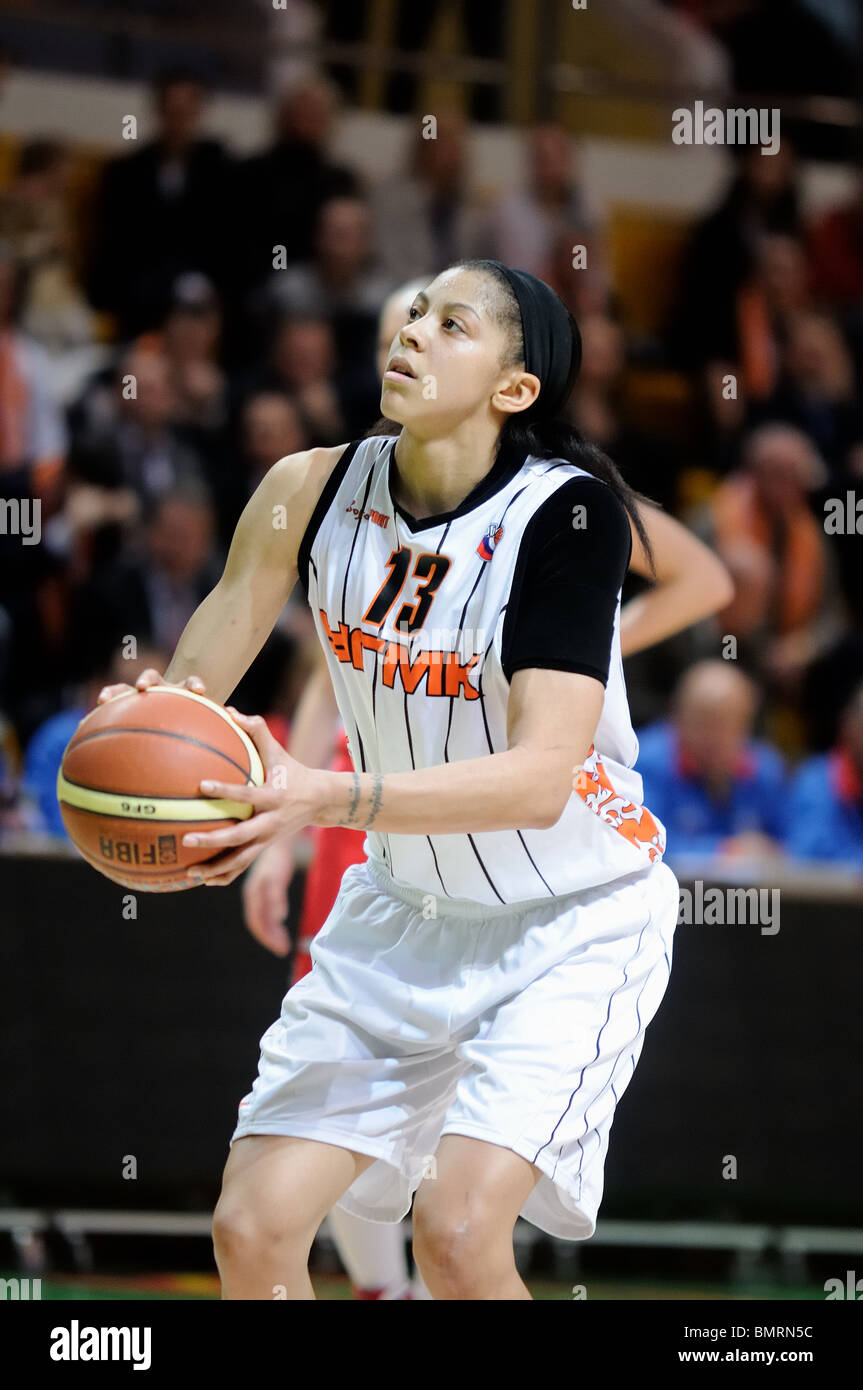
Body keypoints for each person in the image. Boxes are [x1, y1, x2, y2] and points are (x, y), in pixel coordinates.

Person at [98, 259, 698, 1300]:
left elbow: (537, 779)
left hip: (570, 920)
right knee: (252, 1224)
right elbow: (192, 691)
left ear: (514, 387)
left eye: (451, 323)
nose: (411, 331)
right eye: (412, 312)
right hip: (405, 911)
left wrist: (320, 797)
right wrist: (145, 725)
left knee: (458, 1233)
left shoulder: (569, 517)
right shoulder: (306, 489)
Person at [636, 661, 787, 861]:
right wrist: (727, 851)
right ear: (678, 716)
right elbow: (642, 844)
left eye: (731, 723)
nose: (718, 737)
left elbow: (792, 847)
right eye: (707, 722)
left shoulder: (764, 769)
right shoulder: (644, 762)